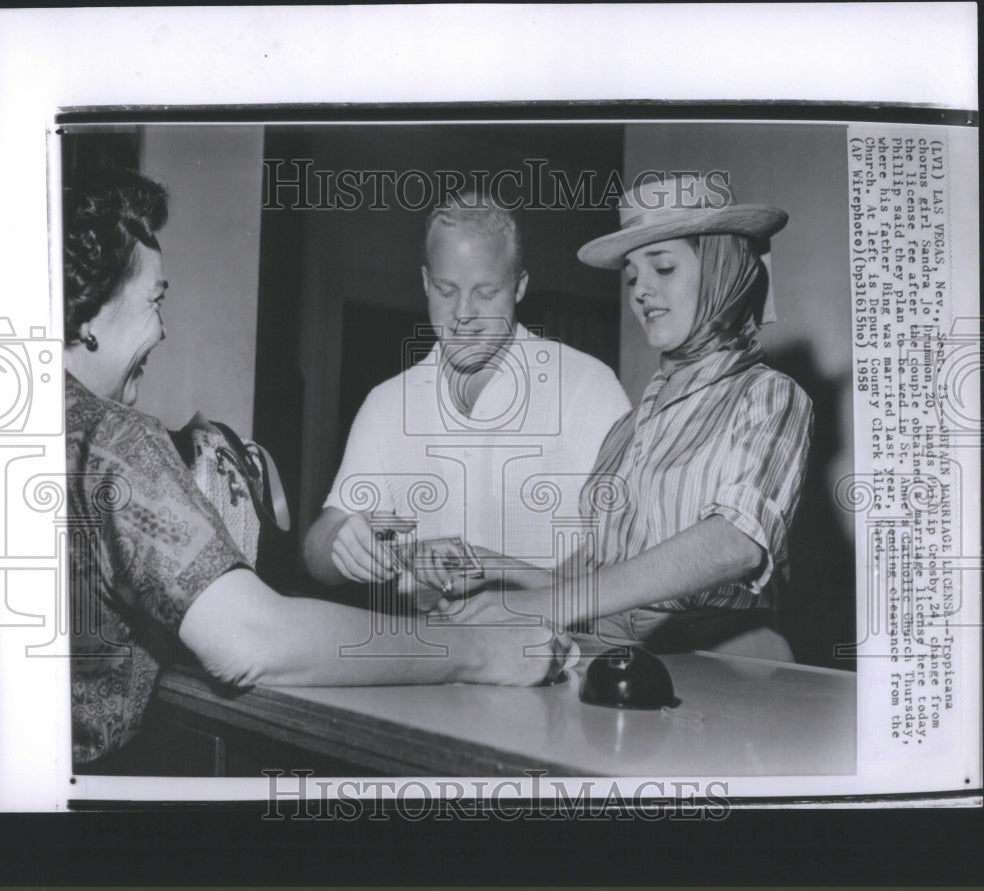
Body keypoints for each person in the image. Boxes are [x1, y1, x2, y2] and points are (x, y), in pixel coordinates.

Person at [63, 166, 568, 770]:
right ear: (88, 317)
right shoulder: (112, 438)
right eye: (154, 302)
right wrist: (480, 651)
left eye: (485, 292)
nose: (165, 329)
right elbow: (252, 638)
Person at [439, 175, 813, 661]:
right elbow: (594, 581)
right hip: (624, 650)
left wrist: (545, 604)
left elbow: (734, 543)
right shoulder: (629, 427)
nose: (642, 291)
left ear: (724, 270)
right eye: (633, 276)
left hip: (728, 664)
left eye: (663, 267)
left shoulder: (768, 396)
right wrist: (496, 569)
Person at [304, 193, 631, 608]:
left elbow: (627, 560)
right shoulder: (387, 404)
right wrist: (343, 541)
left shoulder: (588, 387)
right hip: (428, 653)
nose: (463, 314)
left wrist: (499, 573)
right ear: (425, 282)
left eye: (485, 292)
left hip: (562, 650)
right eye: (446, 290)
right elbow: (317, 550)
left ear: (519, 287)